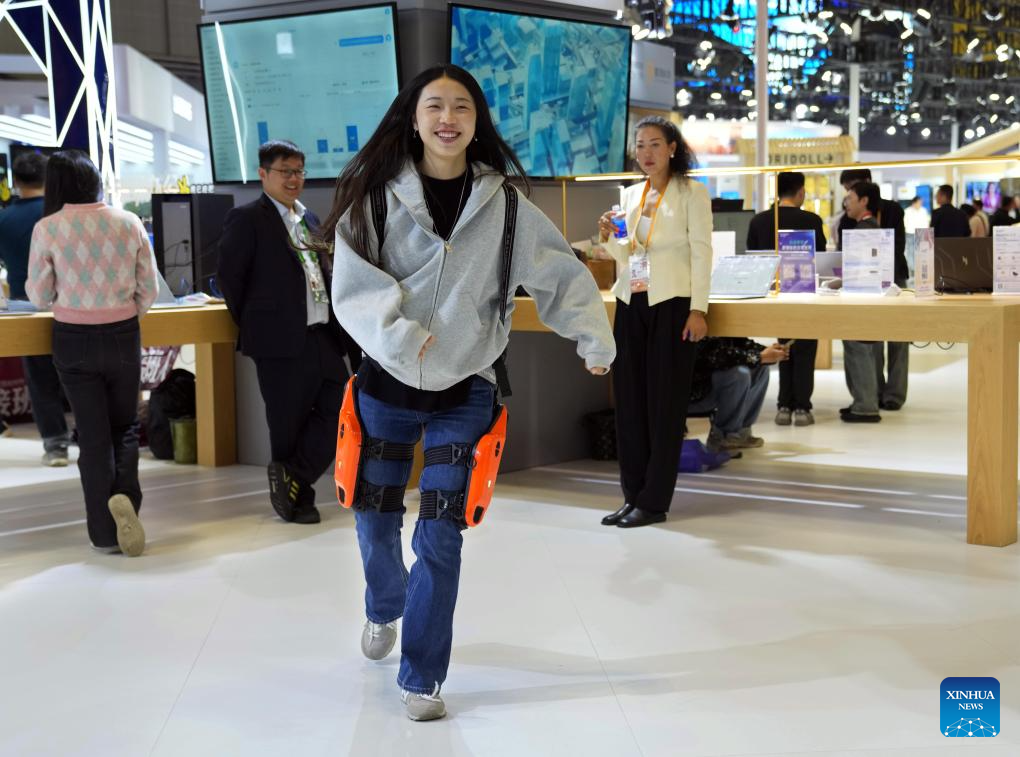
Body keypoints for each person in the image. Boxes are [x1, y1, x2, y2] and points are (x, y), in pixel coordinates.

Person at [324, 64, 614, 721]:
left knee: (442, 533)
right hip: (386, 382)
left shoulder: (506, 205)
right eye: (435, 105)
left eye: (461, 106)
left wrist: (594, 340)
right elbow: (353, 284)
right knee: (374, 517)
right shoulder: (377, 197)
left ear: (477, 121)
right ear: (414, 118)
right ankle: (383, 603)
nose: (447, 118)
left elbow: (561, 275)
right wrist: (400, 336)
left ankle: (422, 677)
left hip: (467, 386)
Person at [217, 140, 357, 525]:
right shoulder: (247, 218)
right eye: (285, 172)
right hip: (278, 340)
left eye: (299, 171)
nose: (294, 179)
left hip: (322, 334)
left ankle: (291, 475)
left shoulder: (310, 218)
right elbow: (231, 279)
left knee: (340, 410)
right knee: (287, 423)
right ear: (263, 174)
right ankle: (298, 501)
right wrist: (260, 322)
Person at [26, 150, 156, 556]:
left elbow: (39, 296)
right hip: (123, 335)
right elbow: (149, 289)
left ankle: (104, 533)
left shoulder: (47, 228)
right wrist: (124, 312)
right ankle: (126, 502)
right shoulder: (129, 222)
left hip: (73, 338)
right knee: (126, 428)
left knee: (93, 435)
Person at [595, 115, 711, 529]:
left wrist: (699, 309)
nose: (646, 153)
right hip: (632, 302)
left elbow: (702, 252)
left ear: (672, 148)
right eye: (640, 146)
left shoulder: (692, 193)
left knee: (664, 406)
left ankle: (654, 501)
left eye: (655, 144)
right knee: (629, 402)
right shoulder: (630, 195)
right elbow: (626, 255)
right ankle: (632, 496)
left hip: (673, 304)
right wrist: (609, 236)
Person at [0, 151, 73, 466]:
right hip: (71, 305)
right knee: (78, 374)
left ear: (16, 181)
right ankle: (89, 434)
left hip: (25, 306)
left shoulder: (4, 219)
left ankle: (55, 446)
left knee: (40, 378)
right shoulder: (64, 215)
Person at [746, 171, 825, 426]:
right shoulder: (812, 220)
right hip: (805, 291)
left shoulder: (759, 221)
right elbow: (822, 257)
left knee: (783, 345)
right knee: (805, 347)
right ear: (800, 192)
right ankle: (801, 407)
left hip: (773, 294)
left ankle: (783, 406)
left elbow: (752, 259)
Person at [836, 170, 908, 412]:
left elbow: (899, 246)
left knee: (899, 339)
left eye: (852, 187)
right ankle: (873, 392)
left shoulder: (893, 210)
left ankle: (894, 395)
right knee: (870, 338)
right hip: (865, 283)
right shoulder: (848, 217)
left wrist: (882, 271)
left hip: (894, 278)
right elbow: (843, 252)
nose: (848, 194)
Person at [688, 338, 788, 452]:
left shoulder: (722, 328)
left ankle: (740, 434)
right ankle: (722, 436)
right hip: (694, 393)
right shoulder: (696, 329)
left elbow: (741, 343)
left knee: (760, 368)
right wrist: (760, 357)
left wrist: (771, 352)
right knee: (738, 374)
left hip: (711, 384)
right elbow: (717, 356)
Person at [839, 181, 885, 424]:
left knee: (858, 346)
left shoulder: (863, 231)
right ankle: (866, 400)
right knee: (868, 348)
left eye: (851, 198)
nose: (847, 203)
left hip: (860, 295)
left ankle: (865, 405)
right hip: (871, 296)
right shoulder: (873, 227)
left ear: (864, 201)